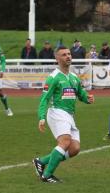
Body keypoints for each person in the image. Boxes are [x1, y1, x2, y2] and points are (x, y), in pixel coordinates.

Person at [33, 46, 95, 183]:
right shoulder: (53, 78)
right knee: (65, 141)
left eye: (69, 54)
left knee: (74, 149)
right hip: (56, 112)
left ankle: (41, 161)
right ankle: (47, 175)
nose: (68, 56)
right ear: (57, 58)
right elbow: (44, 99)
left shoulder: (73, 77)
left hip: (69, 115)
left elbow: (80, 94)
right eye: (63, 55)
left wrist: (87, 98)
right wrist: (41, 117)